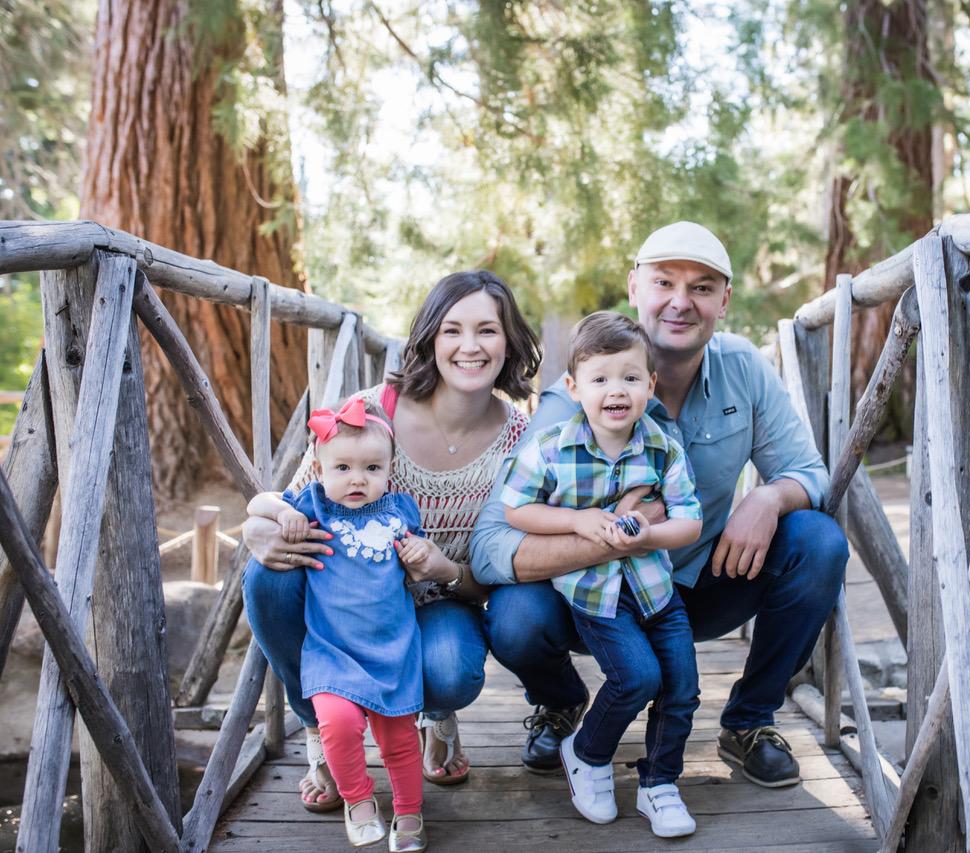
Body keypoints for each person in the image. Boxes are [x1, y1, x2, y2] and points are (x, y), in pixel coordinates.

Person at [471, 221, 848, 790]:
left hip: (698, 582)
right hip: (595, 602)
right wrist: (611, 535)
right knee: (514, 616)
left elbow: (811, 474)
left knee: (817, 542)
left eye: (702, 287)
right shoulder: (572, 398)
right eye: (664, 282)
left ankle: (749, 720)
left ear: (725, 300)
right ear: (634, 288)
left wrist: (769, 496)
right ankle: (560, 701)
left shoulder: (743, 368)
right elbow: (489, 547)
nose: (681, 301)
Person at [242, 270, 541, 812]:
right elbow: (295, 503)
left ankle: (435, 716)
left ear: (509, 341)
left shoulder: (521, 439)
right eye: (452, 330)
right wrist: (256, 529)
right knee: (267, 578)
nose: (470, 346)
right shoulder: (370, 412)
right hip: (344, 599)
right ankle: (320, 730)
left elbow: (497, 577)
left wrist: (444, 569)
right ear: (429, 337)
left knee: (450, 669)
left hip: (442, 601)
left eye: (487, 330)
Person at [501, 312, 702, 837]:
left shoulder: (662, 448)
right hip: (596, 596)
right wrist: (576, 521)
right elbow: (516, 509)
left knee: (682, 688)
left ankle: (659, 783)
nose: (617, 390)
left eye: (630, 378)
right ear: (573, 388)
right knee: (637, 677)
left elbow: (690, 520)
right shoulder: (552, 449)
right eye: (600, 379)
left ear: (650, 385)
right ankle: (587, 752)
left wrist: (650, 535)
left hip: (657, 592)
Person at [246, 398, 427, 849]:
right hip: (332, 652)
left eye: (372, 468)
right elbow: (258, 502)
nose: (357, 479)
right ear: (320, 469)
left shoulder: (401, 511)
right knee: (338, 725)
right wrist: (284, 513)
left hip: (391, 650)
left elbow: (421, 557)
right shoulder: (313, 506)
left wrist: (421, 554)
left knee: (399, 739)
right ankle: (358, 800)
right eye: (342, 468)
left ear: (390, 470)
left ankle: (409, 811)